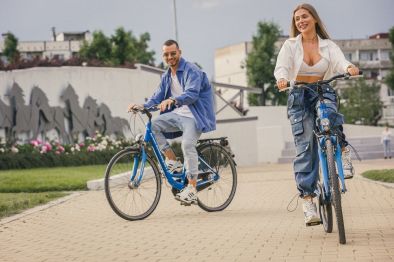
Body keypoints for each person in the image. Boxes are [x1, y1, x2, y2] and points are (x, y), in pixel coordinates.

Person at [274, 3, 360, 226]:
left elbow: (341, 61)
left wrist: (349, 67)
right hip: (299, 96)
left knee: (330, 116)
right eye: (297, 19)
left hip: (323, 90)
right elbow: (281, 67)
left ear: (314, 19)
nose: (300, 21)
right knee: (306, 148)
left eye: (304, 17)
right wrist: (282, 79)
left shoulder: (328, 45)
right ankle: (308, 202)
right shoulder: (290, 45)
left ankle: (343, 149)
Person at [128, 39, 216, 205]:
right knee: (152, 126)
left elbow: (192, 94)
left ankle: (191, 188)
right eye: (166, 54)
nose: (170, 57)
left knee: (187, 145)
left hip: (195, 116)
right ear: (163, 56)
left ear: (179, 52)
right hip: (178, 115)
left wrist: (174, 100)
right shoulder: (167, 76)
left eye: (173, 53)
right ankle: (173, 162)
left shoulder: (191, 70)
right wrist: (142, 106)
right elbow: (157, 97)